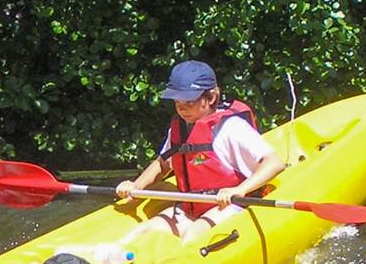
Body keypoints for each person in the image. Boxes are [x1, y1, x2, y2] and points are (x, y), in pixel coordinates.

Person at [114, 60, 285, 239]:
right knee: (141, 231)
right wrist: (136, 186)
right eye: (177, 101)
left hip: (231, 204)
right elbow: (163, 164)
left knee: (193, 234)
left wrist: (239, 189)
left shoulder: (231, 127)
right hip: (191, 206)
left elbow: (274, 163)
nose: (182, 108)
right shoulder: (180, 128)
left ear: (211, 97)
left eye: (189, 101)